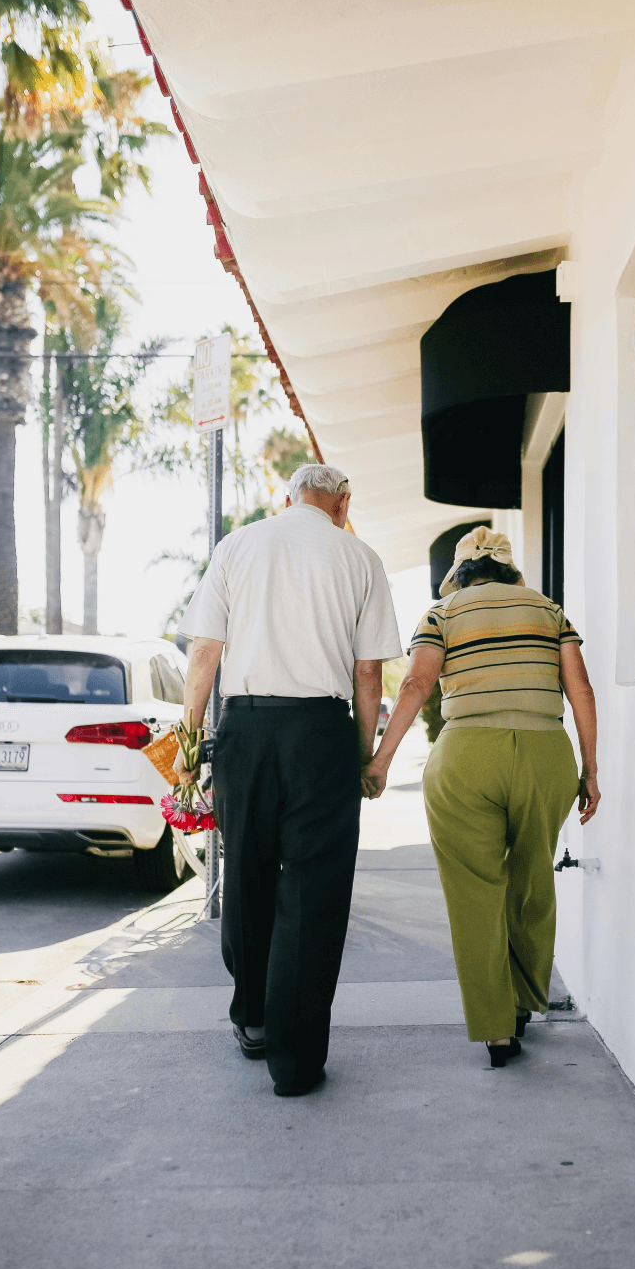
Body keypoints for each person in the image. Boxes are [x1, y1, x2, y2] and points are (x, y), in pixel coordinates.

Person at [176, 463, 402, 1096]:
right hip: (321, 735)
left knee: (246, 874)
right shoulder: (360, 557)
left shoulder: (238, 546)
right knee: (312, 893)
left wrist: (190, 744)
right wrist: (360, 756)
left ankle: (252, 1019)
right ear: (341, 502)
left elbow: (203, 654)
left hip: (246, 731)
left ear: (287, 499)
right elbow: (367, 674)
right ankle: (295, 1063)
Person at [362, 526, 599, 1068]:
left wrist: (381, 761)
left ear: (459, 574)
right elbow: (579, 687)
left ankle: (496, 1031)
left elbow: (417, 685)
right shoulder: (549, 611)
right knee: (532, 877)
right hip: (544, 753)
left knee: (475, 893)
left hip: (466, 756)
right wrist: (590, 769)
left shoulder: (441, 614)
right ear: (509, 571)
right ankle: (522, 1000)